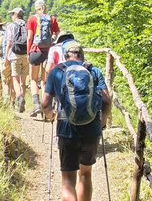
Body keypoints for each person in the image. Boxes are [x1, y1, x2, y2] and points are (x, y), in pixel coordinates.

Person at [41, 41, 112, 201]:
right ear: (82, 55)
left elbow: (45, 104)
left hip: (66, 129)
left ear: (65, 56)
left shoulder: (56, 72)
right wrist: (102, 122)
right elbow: (106, 101)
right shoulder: (93, 70)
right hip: (92, 128)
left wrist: (52, 116)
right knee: (86, 174)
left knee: (68, 180)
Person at [27, 0, 60, 116]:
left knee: (33, 79)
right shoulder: (52, 19)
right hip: (48, 52)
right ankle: (46, 106)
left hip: (35, 51)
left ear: (36, 8)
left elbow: (30, 37)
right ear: (45, 7)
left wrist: (28, 52)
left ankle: (36, 104)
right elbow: (57, 35)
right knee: (44, 80)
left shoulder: (32, 19)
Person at [4, 7, 30, 112]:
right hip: (26, 54)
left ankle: (19, 97)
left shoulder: (11, 26)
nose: (11, 16)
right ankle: (21, 105)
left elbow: (9, 43)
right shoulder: (27, 25)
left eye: (12, 14)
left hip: (14, 55)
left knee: (15, 78)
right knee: (23, 81)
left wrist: (6, 57)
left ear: (15, 14)